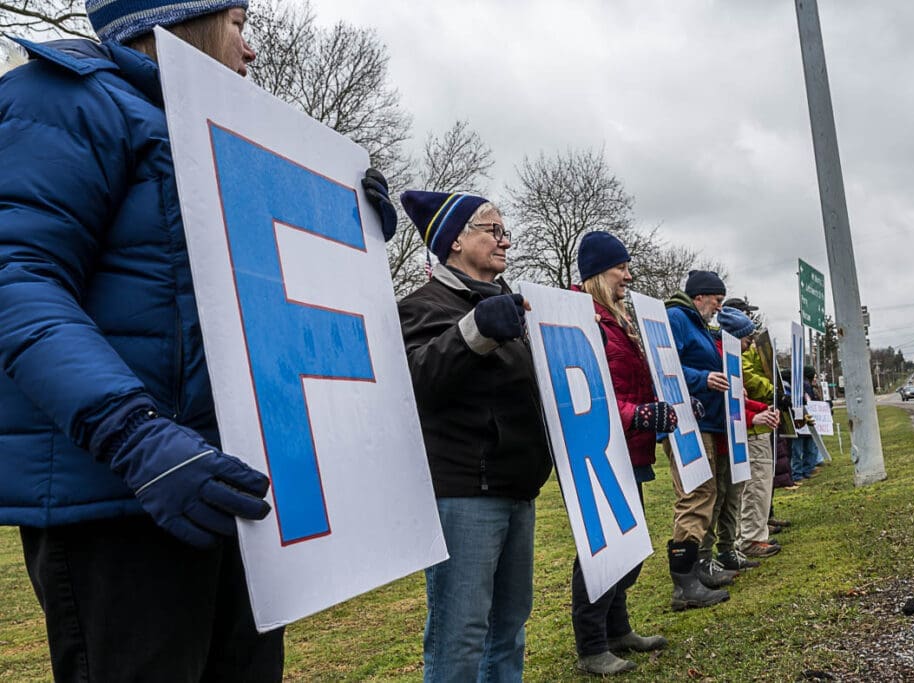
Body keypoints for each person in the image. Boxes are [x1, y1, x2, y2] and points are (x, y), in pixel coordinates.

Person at [0, 3, 398, 680]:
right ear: (179, 18)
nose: (251, 51)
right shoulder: (64, 99)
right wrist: (135, 433)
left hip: (222, 487)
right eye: (240, 23)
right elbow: (17, 277)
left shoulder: (209, 131)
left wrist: (344, 229)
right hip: (123, 497)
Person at [397, 190, 552, 682]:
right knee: (459, 637)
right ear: (454, 240)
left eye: (505, 231)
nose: (504, 240)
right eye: (492, 229)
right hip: (466, 494)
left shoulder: (513, 307)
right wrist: (476, 330)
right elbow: (419, 380)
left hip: (517, 489)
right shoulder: (422, 306)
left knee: (509, 630)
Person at [570, 232, 675, 676]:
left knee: (627, 545)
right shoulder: (582, 321)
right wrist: (639, 415)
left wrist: (671, 406)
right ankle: (591, 644)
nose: (628, 276)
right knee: (601, 549)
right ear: (598, 272)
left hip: (630, 449)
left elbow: (634, 383)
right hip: (602, 449)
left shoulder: (616, 320)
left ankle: (618, 629)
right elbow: (588, 393)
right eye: (621, 268)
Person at [663, 271, 733, 609]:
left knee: (705, 493)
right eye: (717, 300)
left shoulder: (698, 324)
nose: (719, 307)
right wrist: (704, 378)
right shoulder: (677, 318)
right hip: (689, 421)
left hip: (706, 422)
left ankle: (694, 572)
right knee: (695, 493)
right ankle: (683, 584)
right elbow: (665, 365)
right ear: (700, 296)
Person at [715, 307, 782, 561]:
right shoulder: (731, 357)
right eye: (746, 339)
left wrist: (763, 407)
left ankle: (752, 535)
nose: (750, 344)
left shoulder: (735, 355)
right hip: (747, 429)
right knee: (752, 487)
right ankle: (749, 538)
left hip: (753, 424)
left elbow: (742, 393)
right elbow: (746, 387)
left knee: (755, 487)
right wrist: (768, 394)